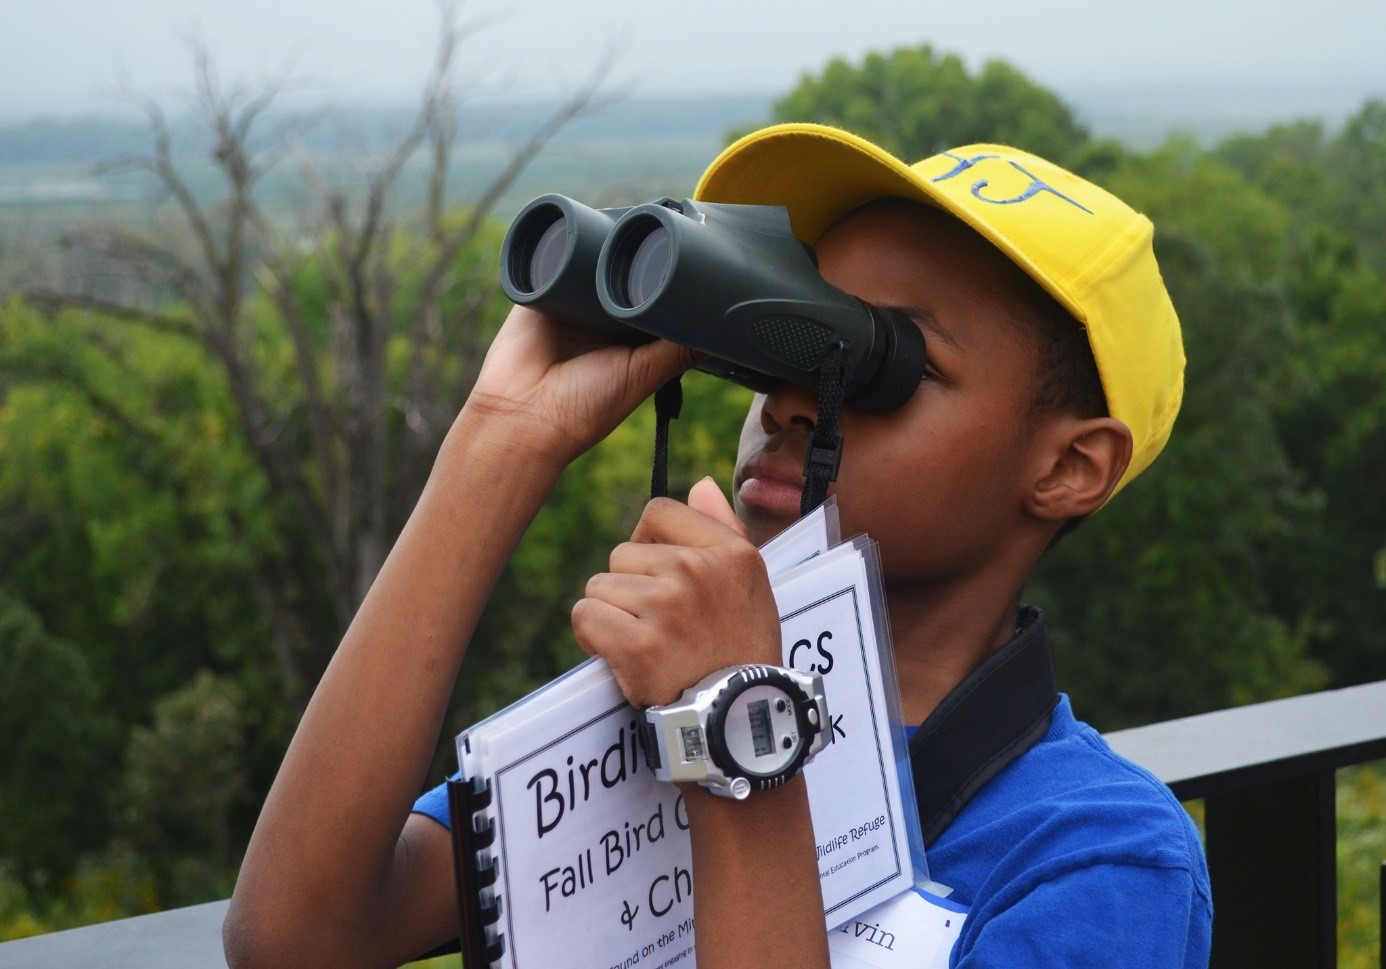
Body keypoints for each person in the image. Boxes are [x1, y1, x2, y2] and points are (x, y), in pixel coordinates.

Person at [224, 123, 1212, 969]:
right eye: (798, 334)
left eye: (882, 363)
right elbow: (297, 936)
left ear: (1070, 468)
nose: (791, 398)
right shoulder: (640, 720)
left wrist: (735, 729)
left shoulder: (1096, 857)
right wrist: (501, 442)